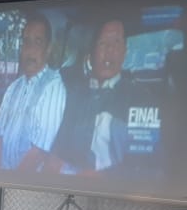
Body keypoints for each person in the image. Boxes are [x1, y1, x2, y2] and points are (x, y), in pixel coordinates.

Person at [45, 19, 147, 175]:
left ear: (124, 52)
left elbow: (146, 166)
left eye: (116, 43)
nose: (110, 49)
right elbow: (58, 147)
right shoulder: (74, 94)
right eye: (103, 43)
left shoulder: (140, 98)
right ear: (93, 52)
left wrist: (103, 178)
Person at [0, 12, 67, 174]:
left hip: (26, 181)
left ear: (48, 49)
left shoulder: (54, 86)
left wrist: (11, 183)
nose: (30, 50)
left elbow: (39, 152)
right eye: (26, 42)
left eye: (37, 42)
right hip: (1, 176)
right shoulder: (14, 87)